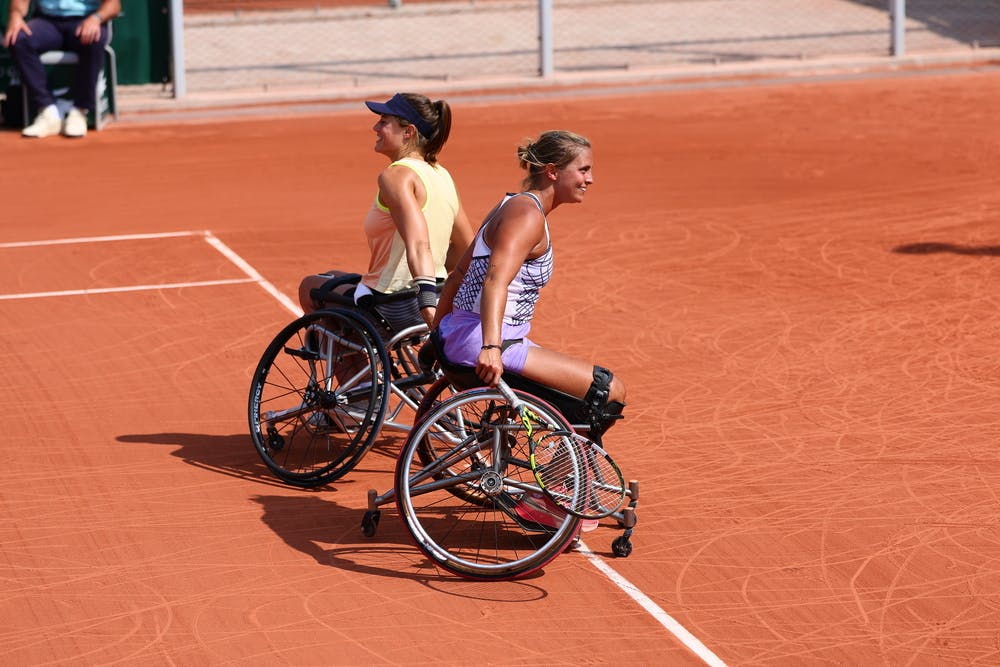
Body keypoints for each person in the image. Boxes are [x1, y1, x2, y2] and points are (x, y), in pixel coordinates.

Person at [433, 129, 626, 427]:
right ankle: (563, 470)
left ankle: (564, 465)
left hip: (470, 335)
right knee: (609, 390)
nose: (590, 179)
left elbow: (459, 274)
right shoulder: (527, 216)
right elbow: (495, 280)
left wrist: (439, 335)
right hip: (488, 341)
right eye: (583, 170)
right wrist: (490, 348)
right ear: (552, 172)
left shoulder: (512, 204)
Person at [297, 92, 474, 336]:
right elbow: (466, 246)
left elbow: (419, 243)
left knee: (310, 286)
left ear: (408, 132)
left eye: (383, 121)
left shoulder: (396, 175)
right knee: (333, 277)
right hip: (440, 294)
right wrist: (434, 277)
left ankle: (361, 371)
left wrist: (426, 299)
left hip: (396, 305)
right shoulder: (441, 174)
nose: (375, 127)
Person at [4, 0, 121, 139]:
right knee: (19, 39)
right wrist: (15, 16)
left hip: (86, 19)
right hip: (47, 21)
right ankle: (47, 112)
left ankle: (80, 112)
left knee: (95, 39)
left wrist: (96, 18)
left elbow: (114, 5)